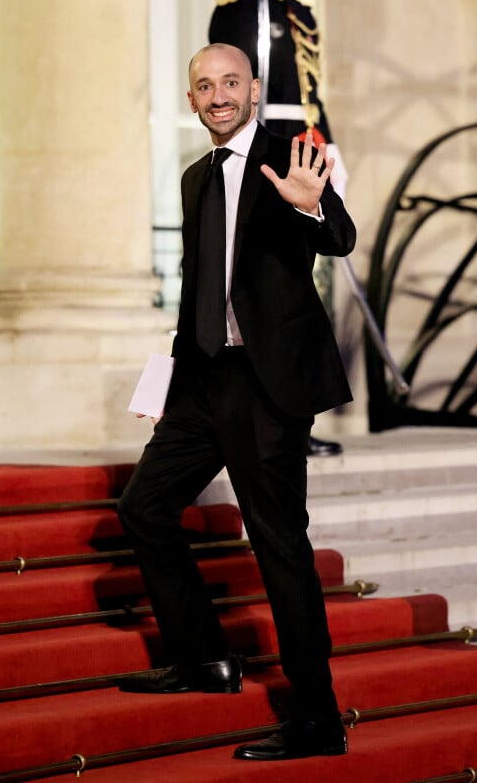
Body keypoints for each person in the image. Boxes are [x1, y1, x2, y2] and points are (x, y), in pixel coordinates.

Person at [117, 43, 355, 762]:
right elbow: (201, 287)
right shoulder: (195, 177)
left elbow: (339, 237)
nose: (217, 95)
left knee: (280, 547)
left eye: (229, 82)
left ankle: (317, 720)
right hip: (203, 381)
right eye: (203, 86)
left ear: (253, 89)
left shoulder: (291, 155)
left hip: (268, 383)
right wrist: (169, 382)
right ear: (191, 101)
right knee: (144, 508)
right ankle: (203, 659)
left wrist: (312, 210)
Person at [209, 0, 349, 457]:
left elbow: (310, 92)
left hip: (303, 150)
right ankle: (269, 412)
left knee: (297, 293)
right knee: (271, 289)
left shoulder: (300, 12)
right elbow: (235, 92)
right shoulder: (242, 7)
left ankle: (296, 414)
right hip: (269, 155)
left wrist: (329, 148)